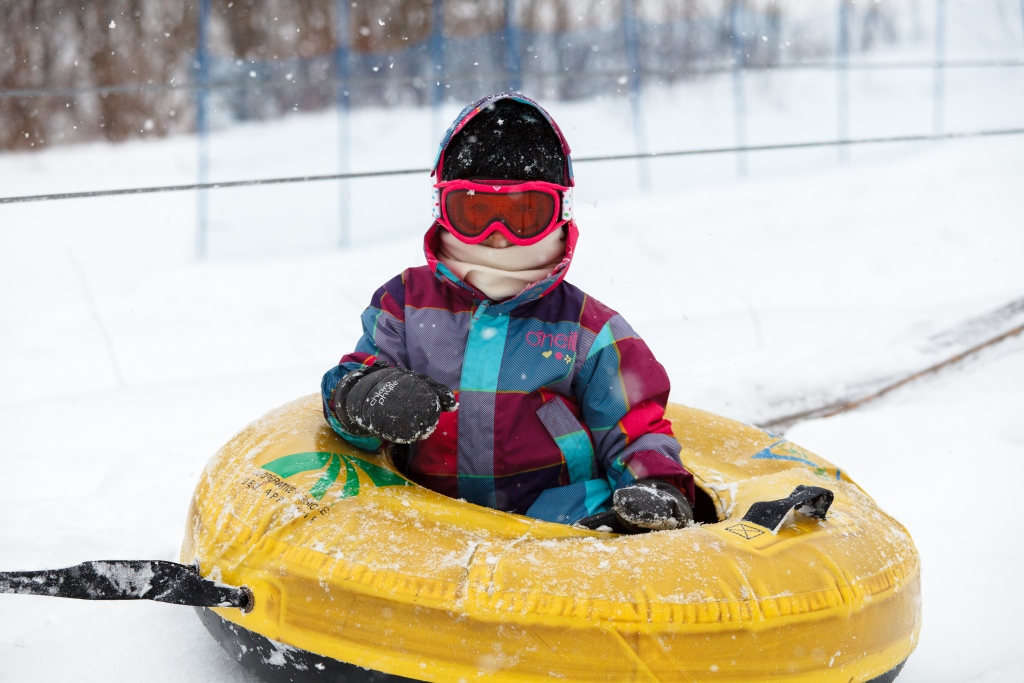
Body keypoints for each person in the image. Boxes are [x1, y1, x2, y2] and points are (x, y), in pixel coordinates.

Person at [321, 92, 694, 533]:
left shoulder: (588, 330)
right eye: (476, 212)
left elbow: (635, 427)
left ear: (559, 214)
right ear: (444, 209)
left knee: (599, 528)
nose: (497, 237)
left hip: (558, 521)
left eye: (524, 214)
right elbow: (354, 376)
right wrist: (367, 396)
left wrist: (657, 485)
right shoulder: (405, 304)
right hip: (428, 518)